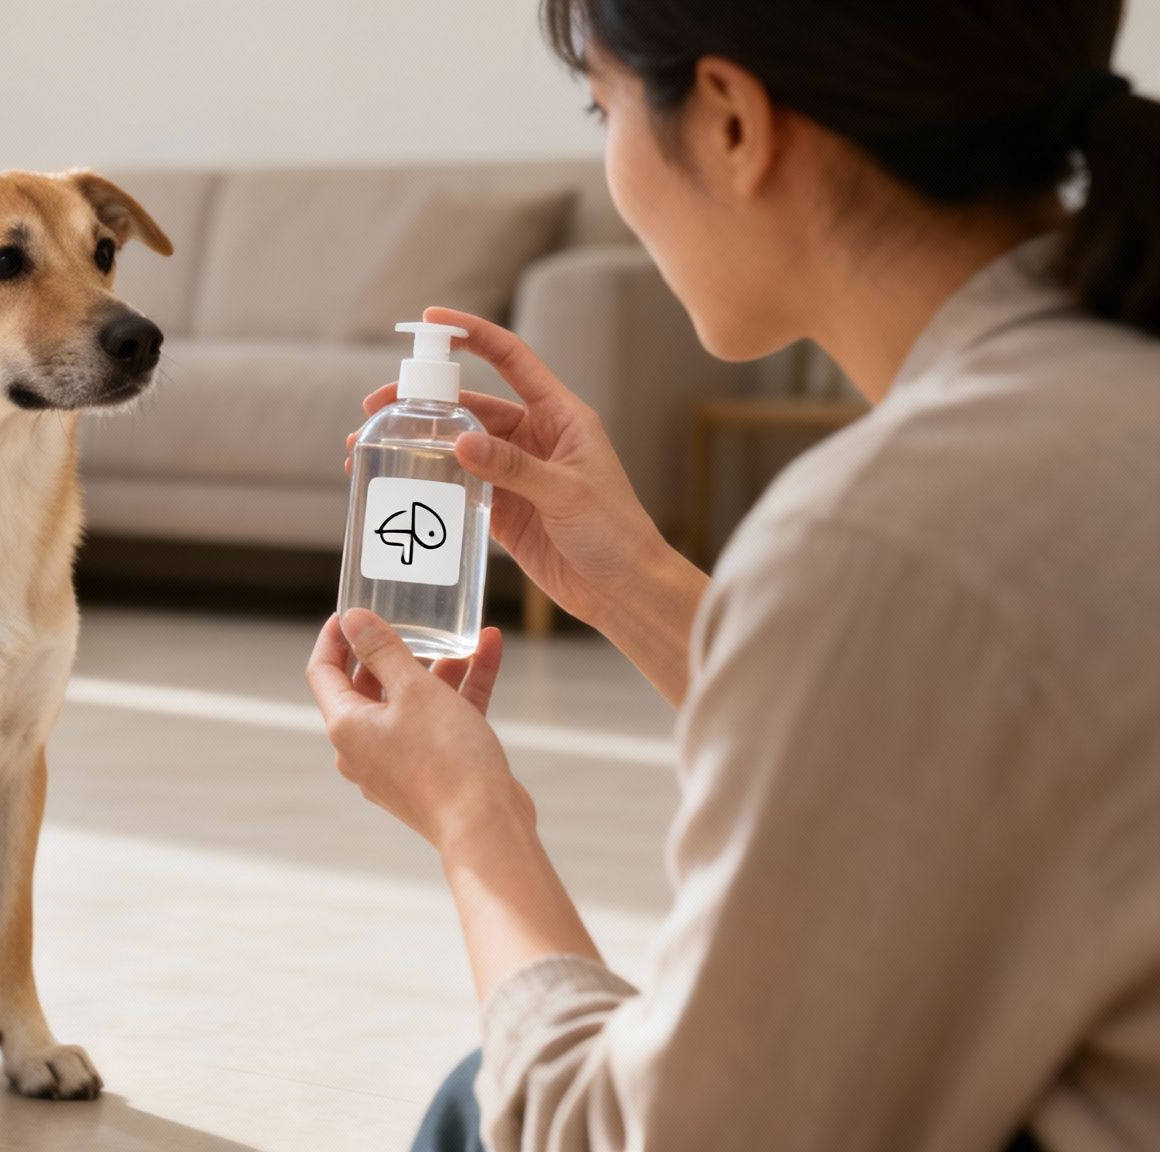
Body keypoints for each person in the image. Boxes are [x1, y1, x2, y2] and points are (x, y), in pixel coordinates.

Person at [302, 2, 1160, 1149]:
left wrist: (472, 816)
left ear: (728, 123)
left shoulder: (892, 530)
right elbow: (935, 746)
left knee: (481, 1100)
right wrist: (631, 579)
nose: (607, 155)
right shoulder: (1097, 398)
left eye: (602, 108)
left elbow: (658, 1135)